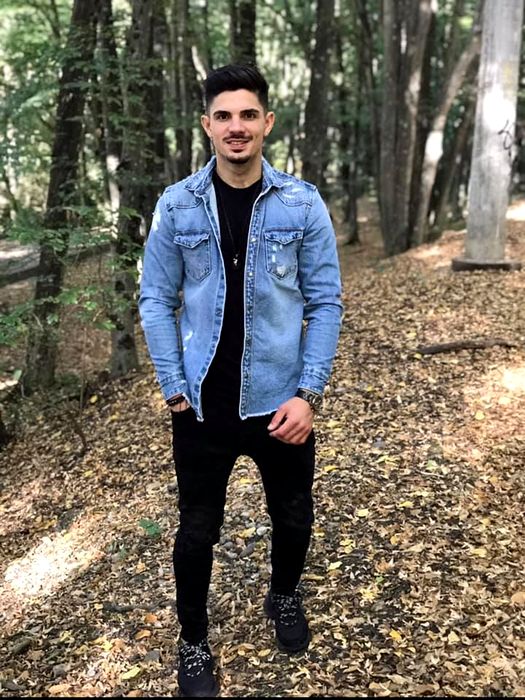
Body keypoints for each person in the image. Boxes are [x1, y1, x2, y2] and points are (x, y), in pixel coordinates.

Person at [139, 64, 342, 698]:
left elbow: (325, 301)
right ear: (207, 125)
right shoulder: (177, 204)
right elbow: (155, 298)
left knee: (293, 514)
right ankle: (193, 641)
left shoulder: (301, 203)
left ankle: (283, 595)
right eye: (223, 116)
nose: (236, 127)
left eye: (248, 114)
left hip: (281, 403)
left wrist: (308, 394)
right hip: (202, 405)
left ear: (267, 123)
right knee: (197, 530)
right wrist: (174, 385)